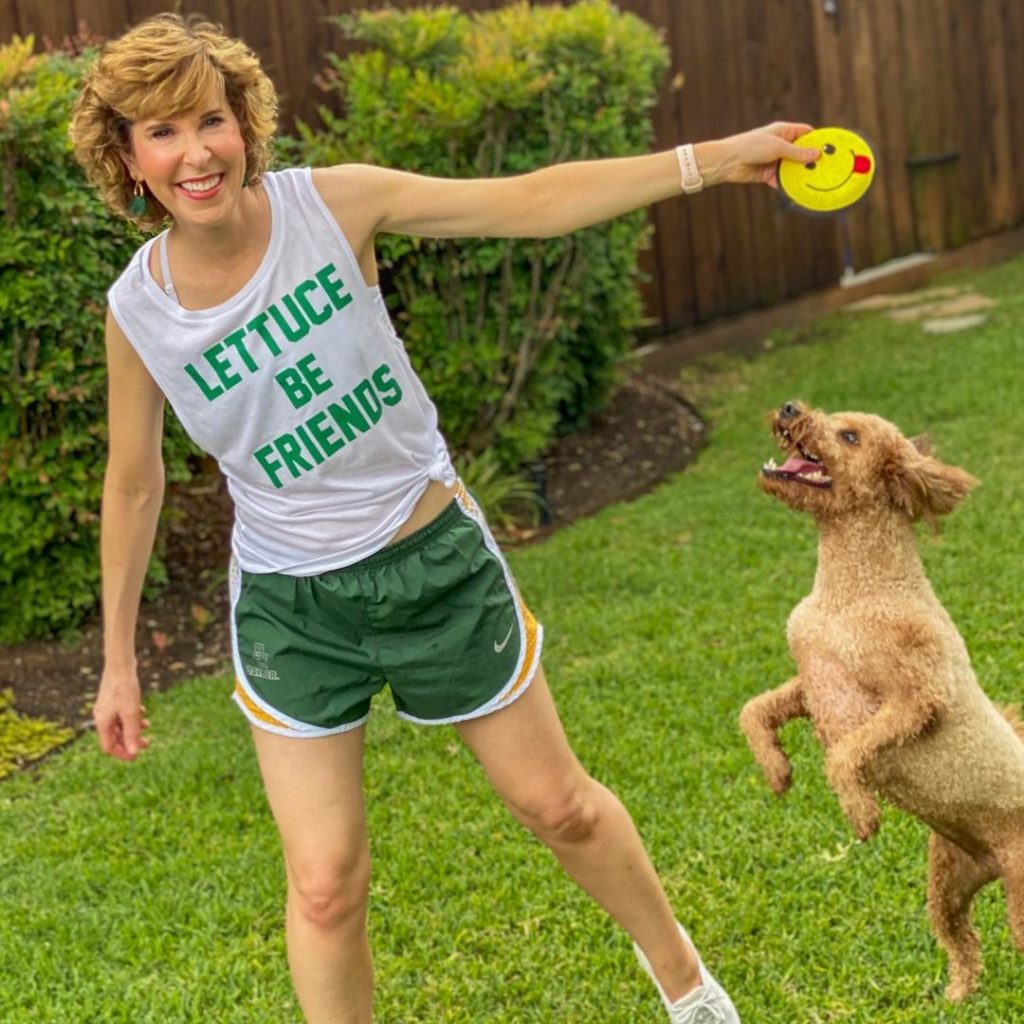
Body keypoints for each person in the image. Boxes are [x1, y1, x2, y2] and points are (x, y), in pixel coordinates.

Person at [70, 14, 818, 1024]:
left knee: (556, 804)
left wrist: (711, 158)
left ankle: (687, 985)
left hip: (433, 561)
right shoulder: (138, 309)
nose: (194, 151)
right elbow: (133, 482)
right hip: (292, 606)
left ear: (244, 123)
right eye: (160, 133)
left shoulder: (331, 207)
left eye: (209, 119)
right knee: (325, 882)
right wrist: (119, 660)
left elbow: (531, 201)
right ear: (125, 158)